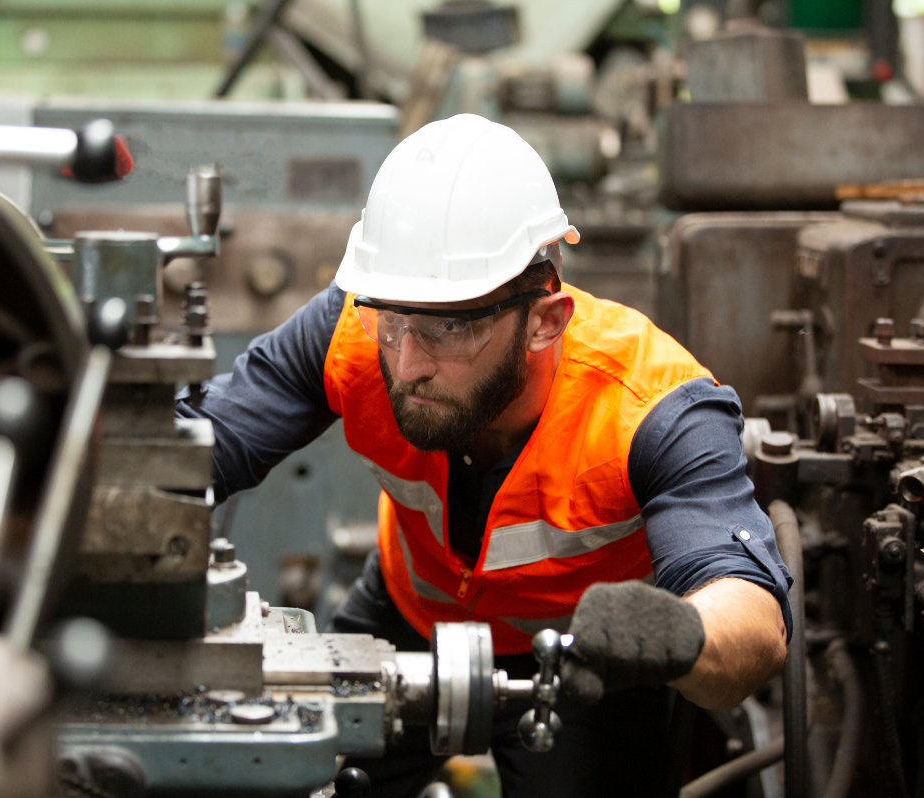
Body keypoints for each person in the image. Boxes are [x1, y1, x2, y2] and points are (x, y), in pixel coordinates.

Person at [178, 113, 791, 797]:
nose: (407, 363)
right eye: (392, 320)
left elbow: (753, 622)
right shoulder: (351, 331)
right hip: (405, 619)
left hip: (584, 662)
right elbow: (195, 446)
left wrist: (678, 635)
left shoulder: (652, 409)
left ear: (543, 320)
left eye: (449, 326)